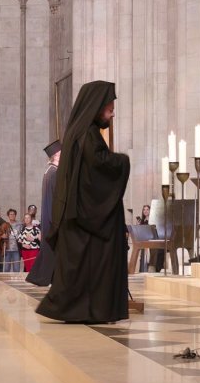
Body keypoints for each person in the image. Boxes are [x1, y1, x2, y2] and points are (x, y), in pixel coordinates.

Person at [36, 81, 130, 324]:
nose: (112, 112)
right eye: (109, 108)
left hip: (78, 219)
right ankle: (89, 309)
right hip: (86, 219)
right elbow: (98, 169)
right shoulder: (87, 134)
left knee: (81, 268)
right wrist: (122, 161)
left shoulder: (80, 131)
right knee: (89, 264)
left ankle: (84, 309)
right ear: (97, 106)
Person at [26, 139, 62, 287]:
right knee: (52, 250)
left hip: (49, 217)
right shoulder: (54, 173)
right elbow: (57, 198)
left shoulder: (49, 171)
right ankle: (44, 277)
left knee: (51, 250)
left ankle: (47, 277)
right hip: (54, 217)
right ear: (57, 155)